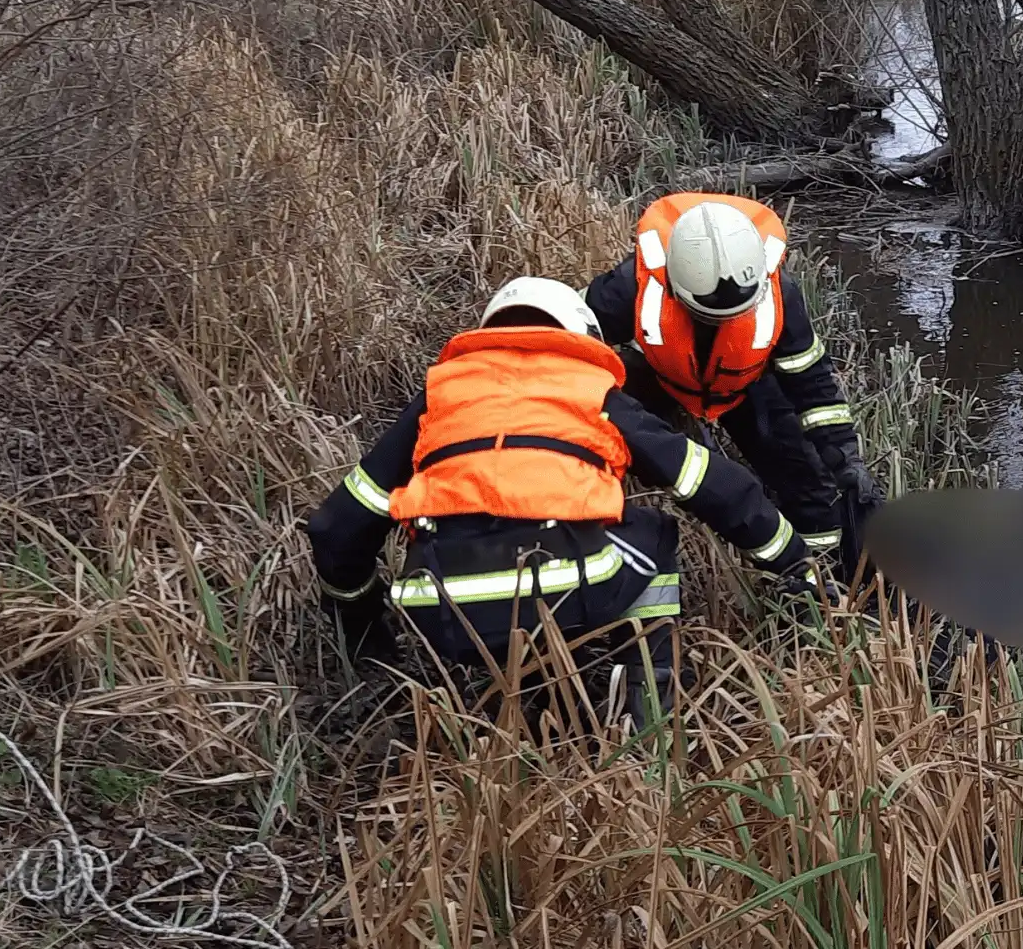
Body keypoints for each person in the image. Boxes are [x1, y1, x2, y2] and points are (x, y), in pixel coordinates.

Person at [302, 276, 815, 728]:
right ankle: (649, 714)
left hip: (439, 610)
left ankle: (503, 679)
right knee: (655, 535)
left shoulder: (440, 399)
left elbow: (336, 529)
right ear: (582, 337)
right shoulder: (591, 391)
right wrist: (797, 563)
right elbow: (712, 485)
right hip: (567, 592)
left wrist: (368, 645)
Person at [581, 191, 884, 582]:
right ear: (675, 287)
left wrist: (846, 458)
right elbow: (568, 337)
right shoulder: (633, 286)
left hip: (745, 386)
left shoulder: (779, 295)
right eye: (707, 317)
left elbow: (812, 385)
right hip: (658, 377)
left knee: (809, 485)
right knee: (605, 430)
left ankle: (816, 581)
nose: (721, 325)